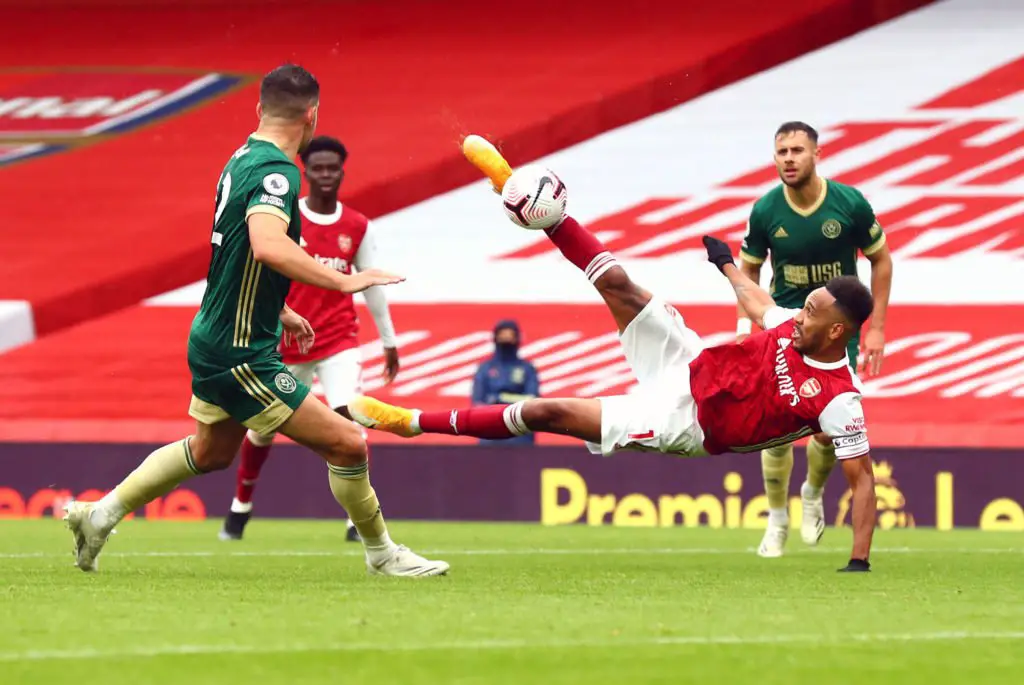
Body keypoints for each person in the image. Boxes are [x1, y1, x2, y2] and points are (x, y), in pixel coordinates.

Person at [347, 138, 878, 571]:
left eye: (811, 312)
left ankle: (411, 422)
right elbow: (758, 301)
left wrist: (858, 561)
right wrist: (725, 265)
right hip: (689, 362)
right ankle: (522, 194)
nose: (799, 316)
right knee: (620, 284)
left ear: (837, 331)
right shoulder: (793, 324)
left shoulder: (839, 398)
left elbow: (862, 479)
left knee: (547, 411)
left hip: (685, 424)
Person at [62, 64, 448, 577]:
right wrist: (341, 281)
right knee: (348, 442)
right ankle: (382, 554)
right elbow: (267, 245)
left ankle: (99, 515)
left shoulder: (241, 158)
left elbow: (235, 249)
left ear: (259, 108)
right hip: (240, 350)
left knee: (211, 451)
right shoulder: (277, 173)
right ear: (312, 116)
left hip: (219, 332)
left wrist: (277, 308)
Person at [220, 135, 401, 543]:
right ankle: (240, 506)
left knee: (350, 418)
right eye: (317, 168)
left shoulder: (357, 226)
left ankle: (357, 520)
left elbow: (370, 284)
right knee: (263, 431)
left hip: (338, 340)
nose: (325, 175)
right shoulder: (285, 220)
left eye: (332, 168)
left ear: (342, 172)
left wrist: (388, 340)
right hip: (286, 345)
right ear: (305, 171)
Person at [739, 121, 892, 558]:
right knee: (775, 432)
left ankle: (812, 493)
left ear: (817, 154)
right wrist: (746, 326)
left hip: (836, 334)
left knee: (827, 432)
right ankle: (776, 519)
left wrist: (876, 327)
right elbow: (748, 269)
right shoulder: (766, 211)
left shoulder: (848, 204)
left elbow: (881, 260)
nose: (789, 159)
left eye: (797, 150)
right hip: (785, 328)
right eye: (782, 151)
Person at [470, 319, 540, 446]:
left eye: (510, 335)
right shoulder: (485, 368)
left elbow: (532, 399)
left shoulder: (527, 368)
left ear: (517, 338)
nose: (506, 338)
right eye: (502, 335)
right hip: (490, 435)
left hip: (520, 435)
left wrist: (500, 398)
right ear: (495, 338)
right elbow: (478, 403)